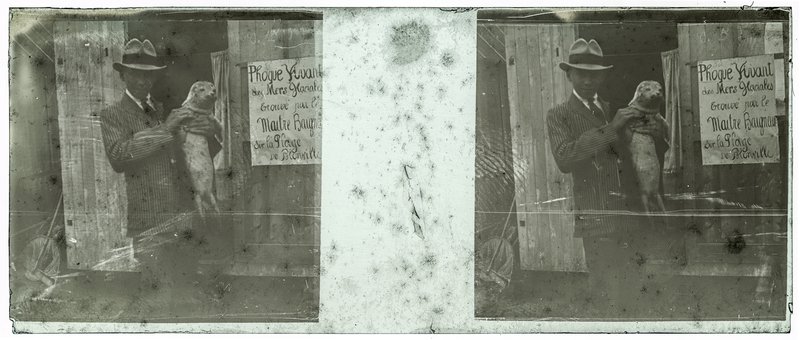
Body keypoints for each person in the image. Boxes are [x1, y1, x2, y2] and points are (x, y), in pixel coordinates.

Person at [99, 38, 223, 316]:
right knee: (157, 297)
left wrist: (207, 132)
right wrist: (166, 129)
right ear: (123, 75)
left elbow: (192, 153)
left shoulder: (164, 109)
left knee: (185, 293)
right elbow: (119, 155)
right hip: (149, 220)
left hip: (181, 214)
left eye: (147, 75)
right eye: (135, 74)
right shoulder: (112, 115)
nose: (142, 81)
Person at [546, 38, 669, 316]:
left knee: (631, 291)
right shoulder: (559, 115)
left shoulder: (615, 108)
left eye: (595, 74)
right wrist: (612, 128)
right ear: (569, 75)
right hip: (596, 218)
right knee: (605, 295)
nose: (589, 80)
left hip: (627, 215)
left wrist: (653, 133)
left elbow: (636, 153)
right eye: (581, 73)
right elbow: (565, 157)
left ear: (602, 76)